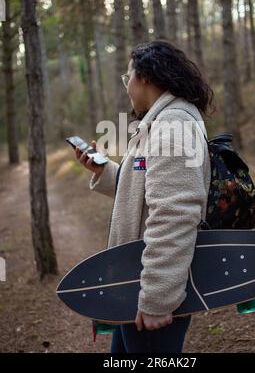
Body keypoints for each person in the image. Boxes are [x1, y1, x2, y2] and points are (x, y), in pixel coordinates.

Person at [75, 40, 215, 353]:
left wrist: (157, 299)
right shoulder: (157, 124)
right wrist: (103, 171)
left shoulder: (175, 125)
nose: (128, 89)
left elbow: (175, 213)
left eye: (128, 79)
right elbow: (144, 190)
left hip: (148, 291)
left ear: (146, 78)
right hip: (133, 280)